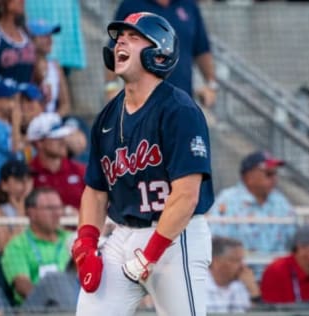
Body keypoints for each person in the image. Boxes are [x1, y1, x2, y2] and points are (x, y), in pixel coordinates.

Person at [73, 12, 214, 316]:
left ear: (158, 52)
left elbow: (186, 195)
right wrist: (86, 242)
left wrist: (151, 253)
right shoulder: (107, 118)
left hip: (176, 235)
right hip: (123, 231)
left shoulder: (179, 110)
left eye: (134, 36)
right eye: (119, 37)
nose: (121, 40)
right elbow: (95, 191)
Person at [106, 0, 218, 108]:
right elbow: (117, 47)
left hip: (181, 100)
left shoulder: (189, 5)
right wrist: (111, 86)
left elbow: (202, 49)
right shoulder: (131, 4)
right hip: (141, 103)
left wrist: (211, 85)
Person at [208, 150, 296, 253]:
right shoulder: (227, 200)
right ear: (249, 176)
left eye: (275, 173)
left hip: (275, 267)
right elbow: (218, 243)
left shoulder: (280, 201)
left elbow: (293, 239)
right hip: (239, 266)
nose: (274, 178)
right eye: (269, 174)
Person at [1, 187, 71, 305]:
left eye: (59, 208)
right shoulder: (17, 246)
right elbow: (22, 285)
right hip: (38, 310)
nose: (57, 214)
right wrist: (52, 305)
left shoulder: (72, 238)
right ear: (31, 213)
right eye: (50, 208)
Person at [26, 112, 85, 212]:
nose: (63, 141)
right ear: (39, 143)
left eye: (63, 136)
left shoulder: (81, 171)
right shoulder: (28, 174)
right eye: (56, 137)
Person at [27, 19, 71, 117]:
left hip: (52, 121)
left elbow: (65, 104)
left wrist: (52, 120)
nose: (50, 40)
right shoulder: (25, 66)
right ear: (31, 39)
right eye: (44, 36)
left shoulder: (55, 65)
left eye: (50, 36)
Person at [0, 159, 33, 253]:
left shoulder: (39, 207)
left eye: (28, 179)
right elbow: (5, 248)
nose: (26, 185)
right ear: (4, 185)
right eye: (19, 180)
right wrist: (20, 212)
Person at [206, 236, 260, 313]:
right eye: (236, 260)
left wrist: (254, 292)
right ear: (216, 262)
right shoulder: (198, 287)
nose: (242, 266)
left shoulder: (240, 286)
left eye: (242, 260)